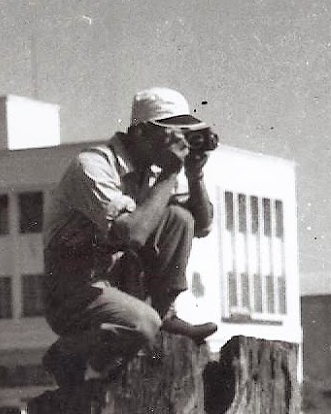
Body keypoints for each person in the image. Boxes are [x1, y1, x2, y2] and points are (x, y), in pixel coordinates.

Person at [40, 87, 220, 387]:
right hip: (72, 290)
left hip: (115, 281)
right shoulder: (94, 165)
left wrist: (194, 174)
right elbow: (132, 234)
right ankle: (66, 353)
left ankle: (164, 316)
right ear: (141, 133)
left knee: (180, 218)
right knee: (142, 325)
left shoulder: (153, 171)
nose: (179, 144)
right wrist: (170, 174)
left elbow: (201, 226)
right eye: (171, 134)